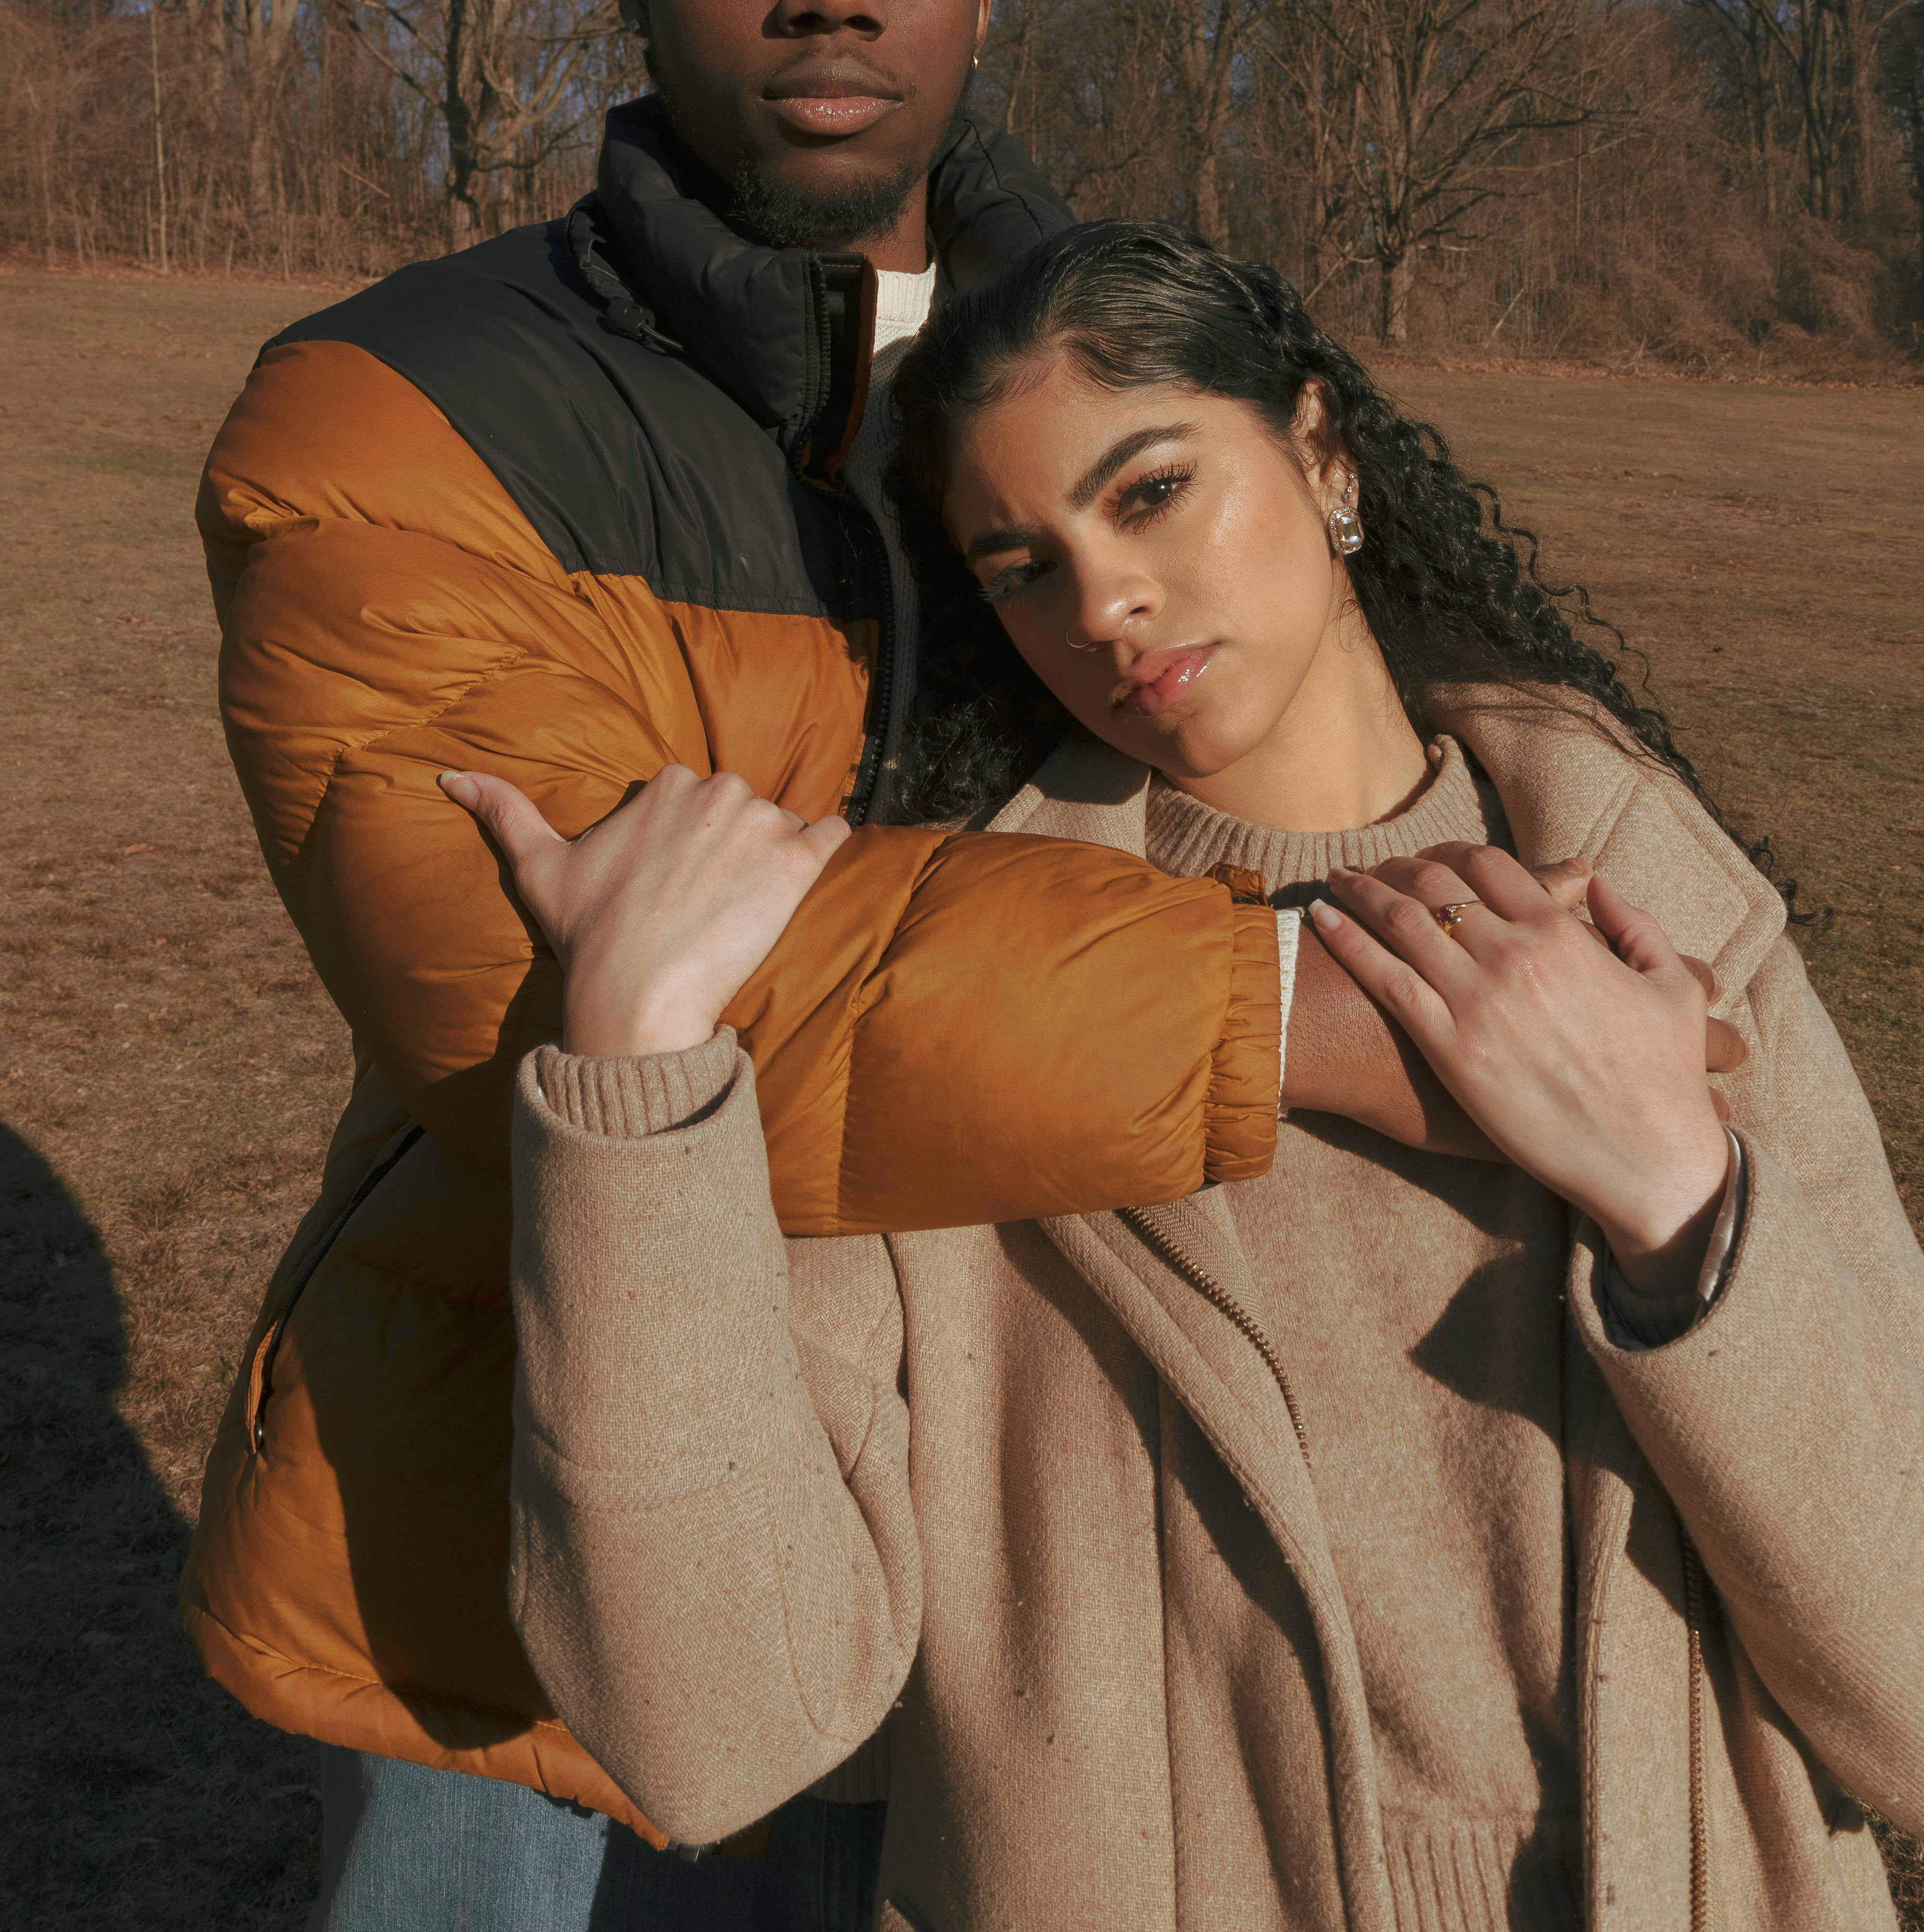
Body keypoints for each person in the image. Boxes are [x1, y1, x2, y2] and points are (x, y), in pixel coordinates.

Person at [186, 0, 1500, 1928]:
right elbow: (557, 1017)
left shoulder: (1105, 358)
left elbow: (1381, 736)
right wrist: (1335, 1022)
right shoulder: (393, 408)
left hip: (1035, 1548)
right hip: (522, 1561)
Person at [478, 223, 1924, 1932]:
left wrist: (1679, 1202)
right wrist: (636, 1080)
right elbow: (714, 1731)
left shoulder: (1657, 897)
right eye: (1019, 566)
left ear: (1322, 452)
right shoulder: (949, 998)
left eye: (1149, 491)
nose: (1100, 606)